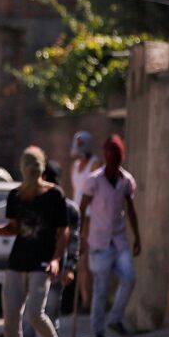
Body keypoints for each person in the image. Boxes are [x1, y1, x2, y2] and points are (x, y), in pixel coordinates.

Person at [0, 146, 69, 337]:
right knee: (10, 317)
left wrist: (56, 259)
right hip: (17, 262)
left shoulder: (54, 196)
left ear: (40, 168)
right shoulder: (16, 196)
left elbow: (63, 232)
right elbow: (14, 229)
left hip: (42, 263)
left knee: (34, 313)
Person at [80, 135, 141, 337]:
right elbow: (82, 207)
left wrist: (137, 237)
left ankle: (115, 318)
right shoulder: (94, 181)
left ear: (120, 157)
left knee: (129, 278)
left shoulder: (126, 181)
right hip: (99, 241)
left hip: (119, 240)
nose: (111, 159)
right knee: (101, 288)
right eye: (108, 154)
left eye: (115, 155)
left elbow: (130, 209)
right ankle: (98, 331)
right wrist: (80, 236)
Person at [23, 159, 80, 337]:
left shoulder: (69, 209)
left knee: (50, 315)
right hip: (33, 267)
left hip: (55, 269)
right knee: (29, 316)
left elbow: (73, 240)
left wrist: (70, 267)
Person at [70, 130, 101, 313]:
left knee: (89, 259)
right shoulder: (75, 165)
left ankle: (91, 301)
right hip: (77, 215)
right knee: (80, 260)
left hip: (91, 217)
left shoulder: (95, 164)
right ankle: (83, 299)